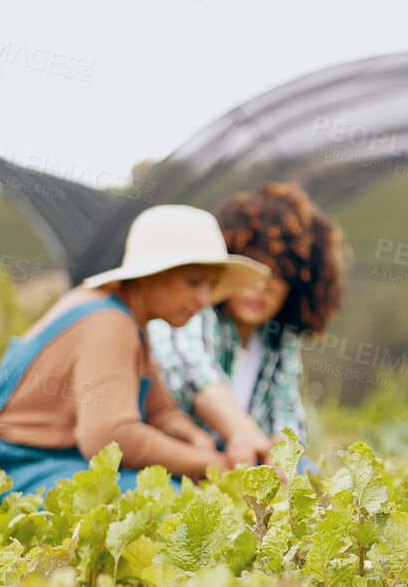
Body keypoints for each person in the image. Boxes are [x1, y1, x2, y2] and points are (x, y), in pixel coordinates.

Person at [0, 204, 271, 496]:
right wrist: (215, 465)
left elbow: (159, 410)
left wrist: (195, 438)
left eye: (211, 285)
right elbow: (110, 437)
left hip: (39, 462)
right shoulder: (109, 321)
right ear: (148, 275)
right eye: (193, 282)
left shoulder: (131, 320)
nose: (205, 299)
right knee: (162, 500)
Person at [148, 183, 346, 466]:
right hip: (185, 460)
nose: (261, 288)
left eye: (279, 274)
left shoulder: (279, 339)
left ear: (299, 285)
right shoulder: (194, 313)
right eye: (252, 269)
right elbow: (193, 370)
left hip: (245, 466)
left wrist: (280, 454)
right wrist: (243, 432)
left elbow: (286, 413)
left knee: (303, 469)